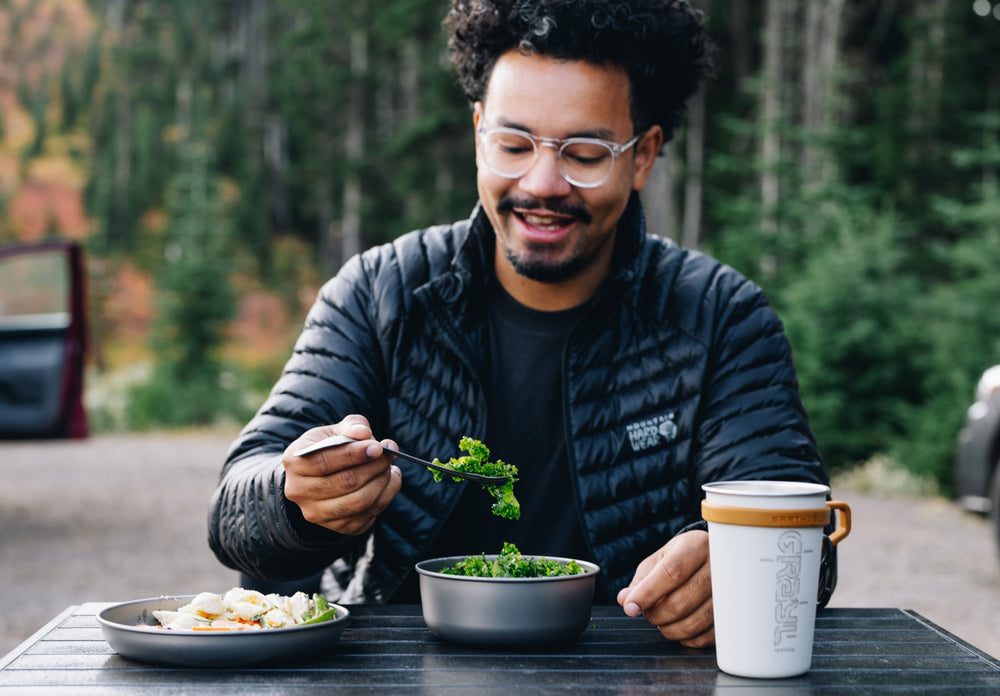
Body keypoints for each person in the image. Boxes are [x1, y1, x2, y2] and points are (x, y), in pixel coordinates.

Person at [208, 0, 834, 648]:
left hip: (640, 678)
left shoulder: (721, 318)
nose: (542, 183)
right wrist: (297, 495)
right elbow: (235, 510)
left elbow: (804, 538)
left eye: (585, 153)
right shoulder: (379, 293)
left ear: (643, 155)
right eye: (513, 145)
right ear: (479, 133)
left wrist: (733, 559)